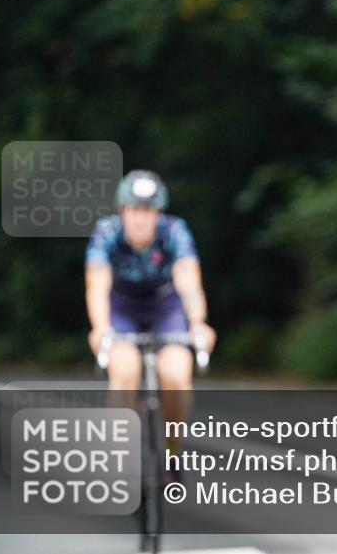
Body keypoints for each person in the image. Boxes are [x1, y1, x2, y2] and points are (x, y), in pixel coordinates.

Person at [85, 169, 217, 480]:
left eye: (148, 211)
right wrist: (100, 327)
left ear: (158, 213)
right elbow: (97, 285)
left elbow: (188, 280)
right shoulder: (106, 232)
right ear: (122, 211)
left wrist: (198, 323)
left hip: (165, 306)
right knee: (125, 371)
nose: (141, 219)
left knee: (175, 374)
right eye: (134, 210)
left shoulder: (174, 231)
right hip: (122, 309)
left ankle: (172, 446)